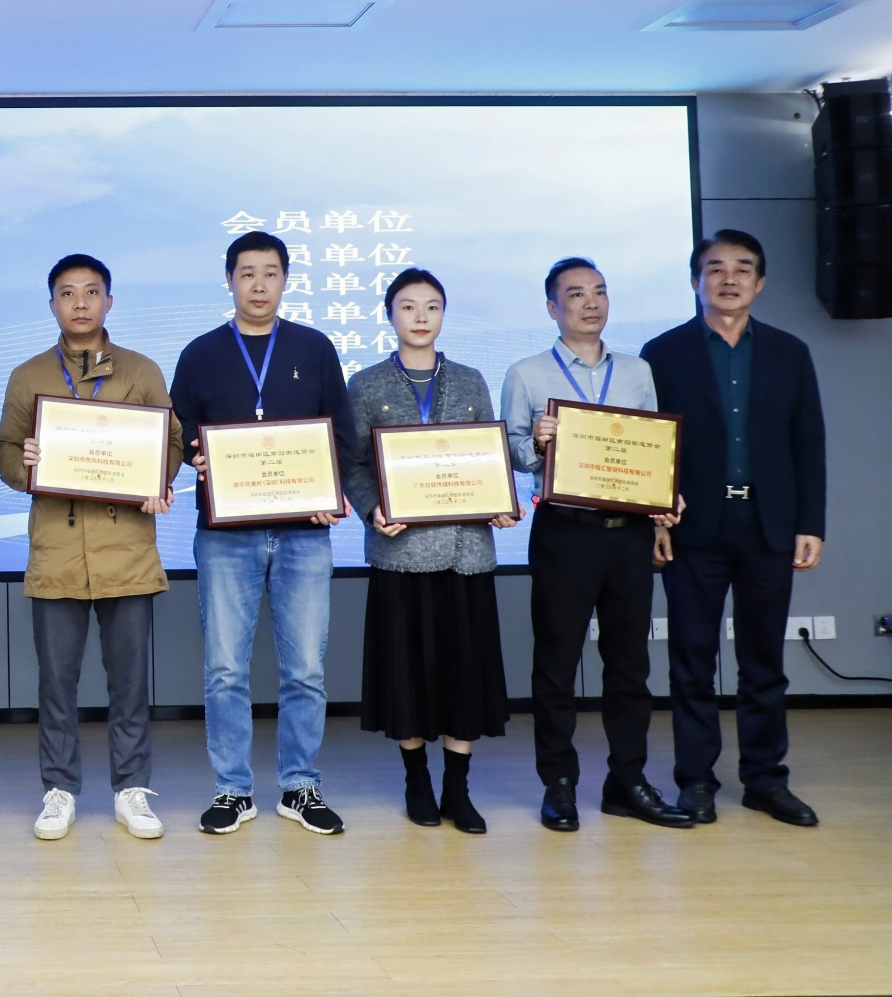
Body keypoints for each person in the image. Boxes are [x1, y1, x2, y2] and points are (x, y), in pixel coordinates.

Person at [169, 229, 355, 837]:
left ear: (285, 280)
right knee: (225, 670)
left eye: (270, 273)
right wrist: (194, 454)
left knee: (306, 671)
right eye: (246, 273)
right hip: (225, 535)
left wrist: (332, 491)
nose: (258, 284)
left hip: (304, 534)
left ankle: (300, 786)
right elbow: (177, 432)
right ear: (229, 280)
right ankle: (233, 789)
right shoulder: (200, 353)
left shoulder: (314, 346)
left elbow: (340, 432)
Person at [0, 254, 182, 842]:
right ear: (52, 304)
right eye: (68, 293)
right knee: (57, 683)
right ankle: (59, 790)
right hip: (57, 551)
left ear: (109, 302)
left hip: (126, 549)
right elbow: (4, 449)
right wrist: (24, 464)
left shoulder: (142, 370)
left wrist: (157, 480)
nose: (80, 303)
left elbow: (171, 441)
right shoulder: (28, 375)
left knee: (130, 682)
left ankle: (131, 789)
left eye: (91, 292)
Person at [641, 230, 826, 827]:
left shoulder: (790, 352)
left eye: (742, 268)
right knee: (692, 660)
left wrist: (810, 523)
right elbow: (650, 445)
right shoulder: (662, 353)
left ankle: (765, 780)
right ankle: (696, 781)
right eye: (715, 268)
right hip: (692, 525)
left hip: (769, 524)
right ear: (696, 280)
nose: (729, 278)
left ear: (760, 282)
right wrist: (656, 518)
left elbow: (809, 441)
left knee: (763, 661)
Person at [502, 258, 692, 832]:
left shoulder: (637, 371)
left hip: (628, 535)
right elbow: (511, 453)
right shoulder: (526, 373)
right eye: (576, 294)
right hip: (564, 531)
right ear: (552, 307)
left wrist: (663, 510)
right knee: (556, 663)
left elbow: (653, 452)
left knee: (630, 664)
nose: (591, 303)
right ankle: (558, 783)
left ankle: (626, 782)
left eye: (599, 292)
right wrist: (536, 443)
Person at [345, 269, 518, 834]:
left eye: (432, 306)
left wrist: (500, 500)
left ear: (444, 314)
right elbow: (353, 464)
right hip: (400, 554)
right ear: (389, 315)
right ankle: (416, 781)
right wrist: (372, 506)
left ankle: (457, 790)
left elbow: (489, 456)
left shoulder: (470, 380)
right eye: (408, 306)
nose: (420, 317)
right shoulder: (366, 384)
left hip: (466, 553)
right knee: (408, 674)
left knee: (465, 674)